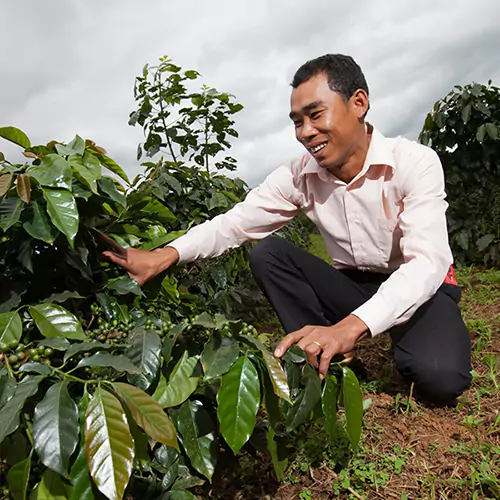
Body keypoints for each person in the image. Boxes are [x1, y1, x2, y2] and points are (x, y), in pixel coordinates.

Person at [105, 54, 472, 406]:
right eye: (297, 121)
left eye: (315, 115)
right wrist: (163, 256)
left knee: (440, 378)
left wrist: (351, 327)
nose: (305, 132)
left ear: (358, 103)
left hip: (420, 286)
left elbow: (426, 264)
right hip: (352, 284)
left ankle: (376, 337)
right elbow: (235, 223)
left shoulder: (413, 163)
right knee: (268, 253)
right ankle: (328, 363)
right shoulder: (299, 176)